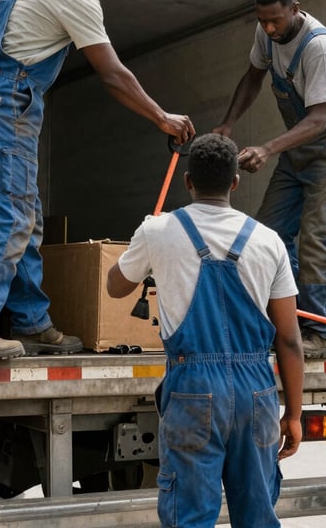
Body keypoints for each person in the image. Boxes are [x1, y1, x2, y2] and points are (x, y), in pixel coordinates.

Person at [0, 0, 196, 360]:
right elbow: (113, 74)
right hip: (5, 101)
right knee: (9, 217)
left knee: (22, 215)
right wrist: (161, 117)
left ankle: (31, 322)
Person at [106, 134, 304, 527]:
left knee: (191, 516)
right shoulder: (269, 241)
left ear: (187, 181)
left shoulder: (158, 230)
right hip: (257, 392)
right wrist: (294, 414)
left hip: (193, 388)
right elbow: (289, 337)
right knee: (258, 515)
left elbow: (115, 286)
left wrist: (146, 240)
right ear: (235, 181)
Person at [212, 0, 326, 360]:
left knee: (315, 240)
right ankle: (284, 318)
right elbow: (253, 77)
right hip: (297, 149)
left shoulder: (319, 47)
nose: (269, 28)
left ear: (295, 9)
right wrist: (228, 123)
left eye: (275, 20)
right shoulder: (267, 34)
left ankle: (316, 332)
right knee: (269, 235)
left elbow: (318, 119)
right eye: (262, 20)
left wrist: (268, 148)